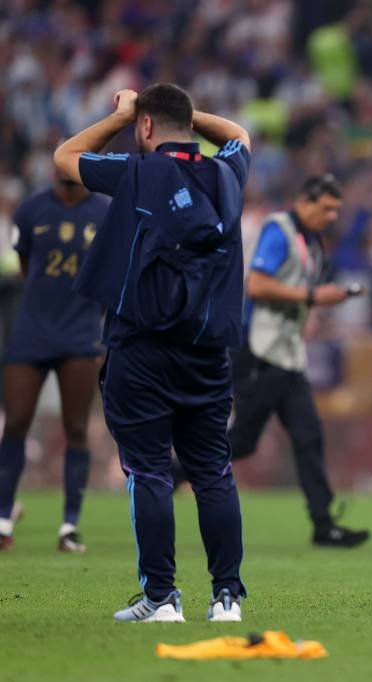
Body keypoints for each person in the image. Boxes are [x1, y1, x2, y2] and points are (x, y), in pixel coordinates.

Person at [54, 83, 251, 622]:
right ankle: (227, 597)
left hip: (141, 348)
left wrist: (121, 114)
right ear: (187, 124)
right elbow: (237, 135)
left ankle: (162, 599)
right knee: (212, 471)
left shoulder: (136, 173)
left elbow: (64, 157)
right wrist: (181, 116)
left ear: (145, 128)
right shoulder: (228, 172)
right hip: (208, 351)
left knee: (149, 471)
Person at [228, 174, 369, 548]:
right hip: (260, 351)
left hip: (287, 355)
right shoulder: (279, 230)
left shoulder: (311, 239)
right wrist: (312, 296)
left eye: (336, 210)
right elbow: (255, 285)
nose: (332, 216)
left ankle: (324, 525)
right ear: (304, 202)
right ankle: (170, 474)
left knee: (309, 437)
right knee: (242, 442)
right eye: (326, 208)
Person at [0, 172, 108, 553]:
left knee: (76, 428)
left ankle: (69, 525)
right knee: (14, 423)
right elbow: (25, 265)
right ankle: (2, 517)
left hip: (81, 332)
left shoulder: (105, 210)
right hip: (32, 329)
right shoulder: (31, 209)